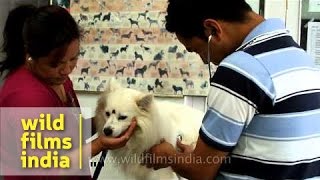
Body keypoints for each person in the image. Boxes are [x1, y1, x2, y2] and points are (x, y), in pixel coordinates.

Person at [143, 0, 320, 179]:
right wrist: (199, 156)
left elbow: (201, 172)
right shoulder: (301, 58)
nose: (205, 60)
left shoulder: (240, 70)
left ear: (212, 29)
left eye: (197, 50)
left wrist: (170, 156)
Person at [0, 5, 136, 179]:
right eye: (55, 64)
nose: (67, 70)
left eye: (73, 59)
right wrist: (100, 144)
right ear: (31, 55)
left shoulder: (58, 80)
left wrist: (107, 121)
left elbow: (66, 133)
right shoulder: (28, 98)